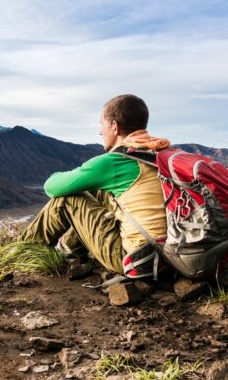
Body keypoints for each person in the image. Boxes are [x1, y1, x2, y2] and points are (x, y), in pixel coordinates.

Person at [20, 94, 169, 279]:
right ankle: (69, 249)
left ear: (114, 127)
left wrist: (67, 176)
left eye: (102, 125)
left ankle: (20, 254)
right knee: (99, 191)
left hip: (137, 261)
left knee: (67, 200)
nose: (100, 132)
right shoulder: (158, 153)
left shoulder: (115, 161)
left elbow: (52, 188)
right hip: (169, 257)